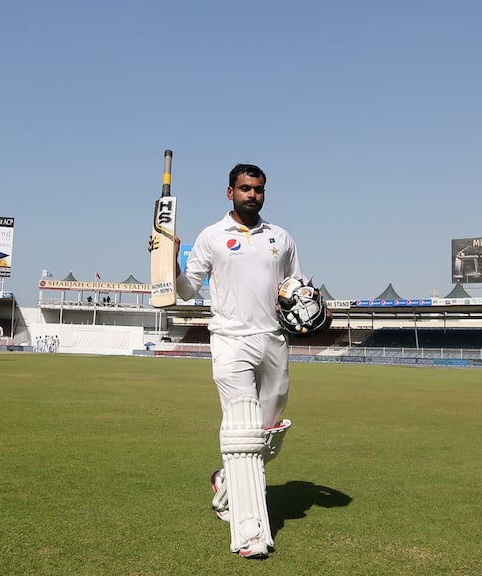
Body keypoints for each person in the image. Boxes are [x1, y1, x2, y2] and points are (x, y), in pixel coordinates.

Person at [169, 163, 308, 559]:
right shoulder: (212, 237)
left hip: (273, 339)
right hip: (230, 341)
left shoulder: (281, 238)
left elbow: (293, 289)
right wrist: (172, 261)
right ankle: (251, 533)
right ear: (229, 192)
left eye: (258, 189)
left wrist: (313, 310)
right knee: (244, 428)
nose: (252, 195)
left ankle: (224, 481)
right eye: (245, 188)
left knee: (269, 429)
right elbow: (185, 290)